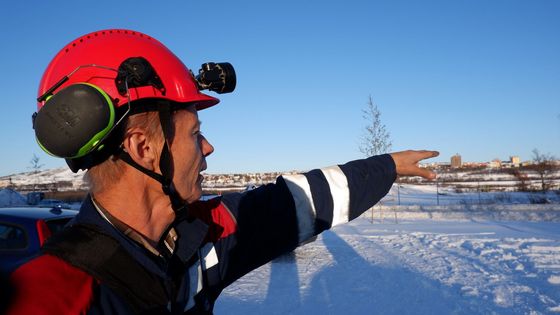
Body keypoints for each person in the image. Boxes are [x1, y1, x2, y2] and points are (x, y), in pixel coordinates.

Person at [7, 29, 438, 314]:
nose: (209, 147)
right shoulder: (51, 296)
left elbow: (297, 202)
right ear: (144, 148)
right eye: (196, 132)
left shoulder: (201, 237)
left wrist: (386, 167)